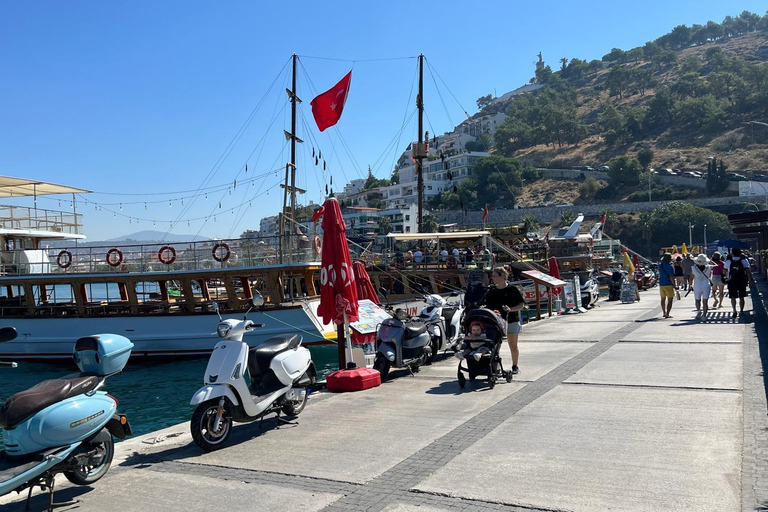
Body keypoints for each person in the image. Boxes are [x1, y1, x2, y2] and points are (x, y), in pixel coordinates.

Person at [485, 267, 525, 374]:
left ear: (502, 276)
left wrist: (511, 309)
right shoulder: (492, 291)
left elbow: (521, 304)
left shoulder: (513, 290)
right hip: (496, 321)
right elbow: (487, 304)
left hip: (511, 319)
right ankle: (495, 366)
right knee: (495, 345)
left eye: (494, 276)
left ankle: (515, 366)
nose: (492, 278)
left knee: (513, 345)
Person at [724, 247, 751, 318]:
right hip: (741, 280)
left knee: (733, 297)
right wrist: (750, 281)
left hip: (732, 280)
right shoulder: (744, 260)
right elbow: (748, 271)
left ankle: (734, 310)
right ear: (740, 253)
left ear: (732, 253)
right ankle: (741, 311)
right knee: (741, 296)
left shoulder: (728, 261)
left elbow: (724, 271)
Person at [691, 254, 712, 320]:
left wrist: (690, 285)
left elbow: (691, 277)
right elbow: (716, 266)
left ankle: (699, 311)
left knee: (697, 300)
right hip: (706, 285)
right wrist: (710, 260)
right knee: (705, 302)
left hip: (697, 285)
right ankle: (704, 316)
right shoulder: (709, 267)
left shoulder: (693, 268)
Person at [658, 253, 676, 319]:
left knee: (663, 299)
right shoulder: (670, 266)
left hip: (661, 284)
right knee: (670, 300)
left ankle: (664, 312)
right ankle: (667, 314)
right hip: (668, 284)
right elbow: (671, 276)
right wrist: (674, 285)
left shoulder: (660, 265)